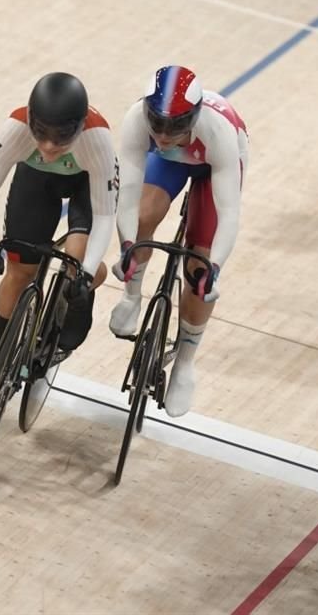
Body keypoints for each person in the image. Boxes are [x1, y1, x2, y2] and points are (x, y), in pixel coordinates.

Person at [0, 72, 118, 411]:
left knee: (77, 266)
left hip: (85, 186)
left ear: (79, 128)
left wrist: (84, 273)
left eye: (61, 138)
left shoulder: (97, 139)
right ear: (31, 122)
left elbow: (105, 215)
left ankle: (74, 305)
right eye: (42, 135)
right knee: (20, 271)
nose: (50, 146)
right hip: (36, 180)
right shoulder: (16, 128)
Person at [110, 65, 248, 418]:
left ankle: (185, 364)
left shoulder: (219, 134)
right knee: (142, 216)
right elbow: (125, 196)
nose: (163, 135)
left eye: (174, 128)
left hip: (212, 165)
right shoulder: (137, 122)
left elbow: (229, 213)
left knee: (199, 266)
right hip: (172, 163)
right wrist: (127, 247)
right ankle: (132, 297)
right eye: (157, 124)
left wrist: (213, 268)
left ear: (194, 118)